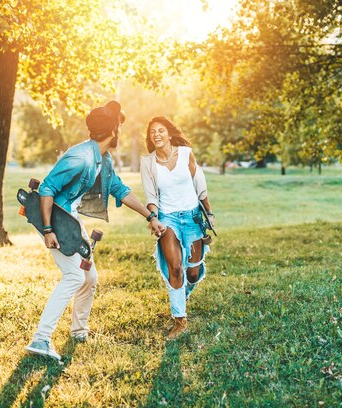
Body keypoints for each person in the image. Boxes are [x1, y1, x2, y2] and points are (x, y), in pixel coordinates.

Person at [26, 101, 166, 361]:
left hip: (69, 217)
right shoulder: (79, 157)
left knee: (89, 276)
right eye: (119, 128)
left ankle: (79, 332)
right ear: (113, 131)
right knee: (74, 276)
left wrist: (151, 216)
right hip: (55, 220)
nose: (121, 133)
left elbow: (120, 190)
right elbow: (47, 189)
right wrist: (47, 231)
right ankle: (41, 339)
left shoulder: (103, 159)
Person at [140, 116, 215, 339]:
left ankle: (182, 294)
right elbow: (151, 195)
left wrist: (209, 213)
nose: (157, 134)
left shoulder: (185, 153)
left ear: (170, 134)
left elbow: (200, 186)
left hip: (192, 217)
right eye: (152, 131)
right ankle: (179, 320)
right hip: (168, 219)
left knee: (192, 272)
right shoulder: (148, 162)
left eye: (161, 130)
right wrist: (154, 218)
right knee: (175, 268)